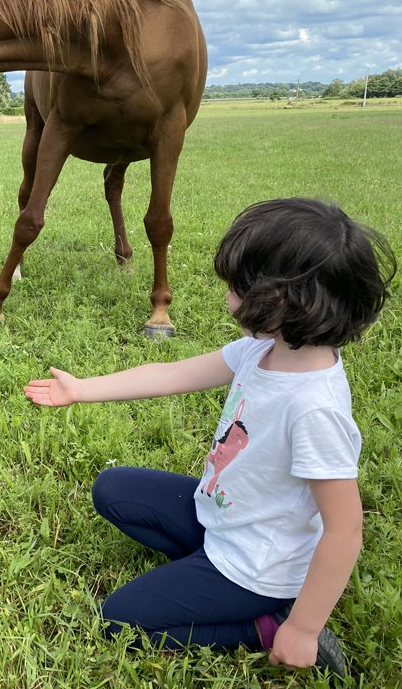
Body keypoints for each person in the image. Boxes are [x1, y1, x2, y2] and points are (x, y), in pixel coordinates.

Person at [24, 198, 396, 679]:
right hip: (222, 515)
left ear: (286, 299)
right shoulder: (263, 349)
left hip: (258, 566)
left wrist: (304, 629)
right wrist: (81, 389)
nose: (227, 296)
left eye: (238, 287)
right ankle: (206, 573)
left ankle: (265, 624)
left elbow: (344, 530)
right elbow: (172, 375)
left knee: (118, 619)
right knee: (111, 488)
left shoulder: (314, 408)